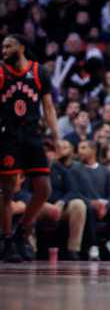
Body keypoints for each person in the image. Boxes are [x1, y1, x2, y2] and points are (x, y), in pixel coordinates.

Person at [0, 34, 61, 261]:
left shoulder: (39, 72)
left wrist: (56, 136)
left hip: (32, 135)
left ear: (21, 47)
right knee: (7, 191)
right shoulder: (0, 71)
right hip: (8, 135)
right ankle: (6, 240)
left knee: (44, 189)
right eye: (2, 46)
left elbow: (49, 106)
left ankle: (22, 231)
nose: (4, 50)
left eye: (8, 46)